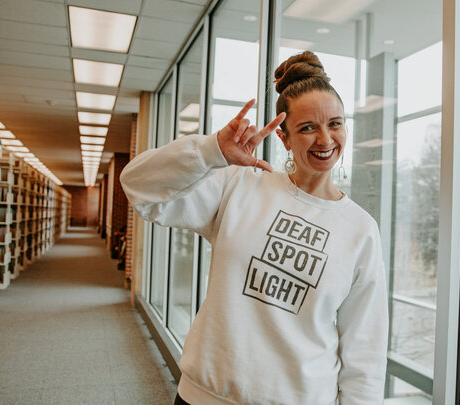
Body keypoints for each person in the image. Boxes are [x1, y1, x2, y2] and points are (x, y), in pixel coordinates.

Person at [121, 51, 388, 405]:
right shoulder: (242, 186)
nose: (325, 139)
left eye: (335, 124)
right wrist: (211, 151)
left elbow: (364, 350)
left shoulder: (360, 229)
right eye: (308, 128)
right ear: (284, 137)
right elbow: (139, 186)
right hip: (204, 397)